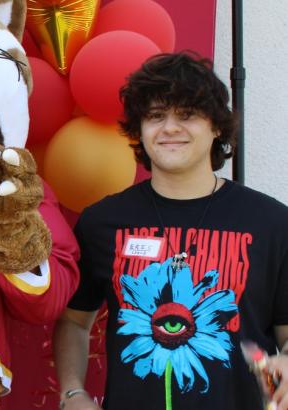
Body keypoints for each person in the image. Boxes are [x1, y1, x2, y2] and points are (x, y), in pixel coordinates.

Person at [54, 52, 288, 410]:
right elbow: (73, 320)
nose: (170, 128)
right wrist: (72, 393)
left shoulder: (271, 222)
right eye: (155, 116)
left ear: (217, 127)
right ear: (139, 131)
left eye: (187, 115)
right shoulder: (102, 221)